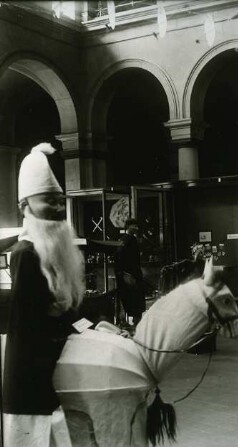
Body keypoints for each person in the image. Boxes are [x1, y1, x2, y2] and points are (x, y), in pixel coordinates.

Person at [2, 143, 85, 447]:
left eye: (61, 201)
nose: (59, 208)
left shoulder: (50, 253)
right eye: (49, 201)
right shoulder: (25, 255)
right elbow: (26, 331)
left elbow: (66, 310)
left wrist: (93, 326)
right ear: (25, 207)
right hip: (33, 382)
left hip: (50, 375)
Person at [114, 218, 145, 326]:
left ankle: (128, 321)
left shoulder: (123, 239)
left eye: (137, 226)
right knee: (136, 300)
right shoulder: (130, 239)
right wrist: (127, 273)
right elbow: (126, 258)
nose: (136, 228)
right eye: (134, 226)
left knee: (130, 299)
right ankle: (135, 324)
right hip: (131, 274)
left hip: (128, 273)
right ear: (128, 227)